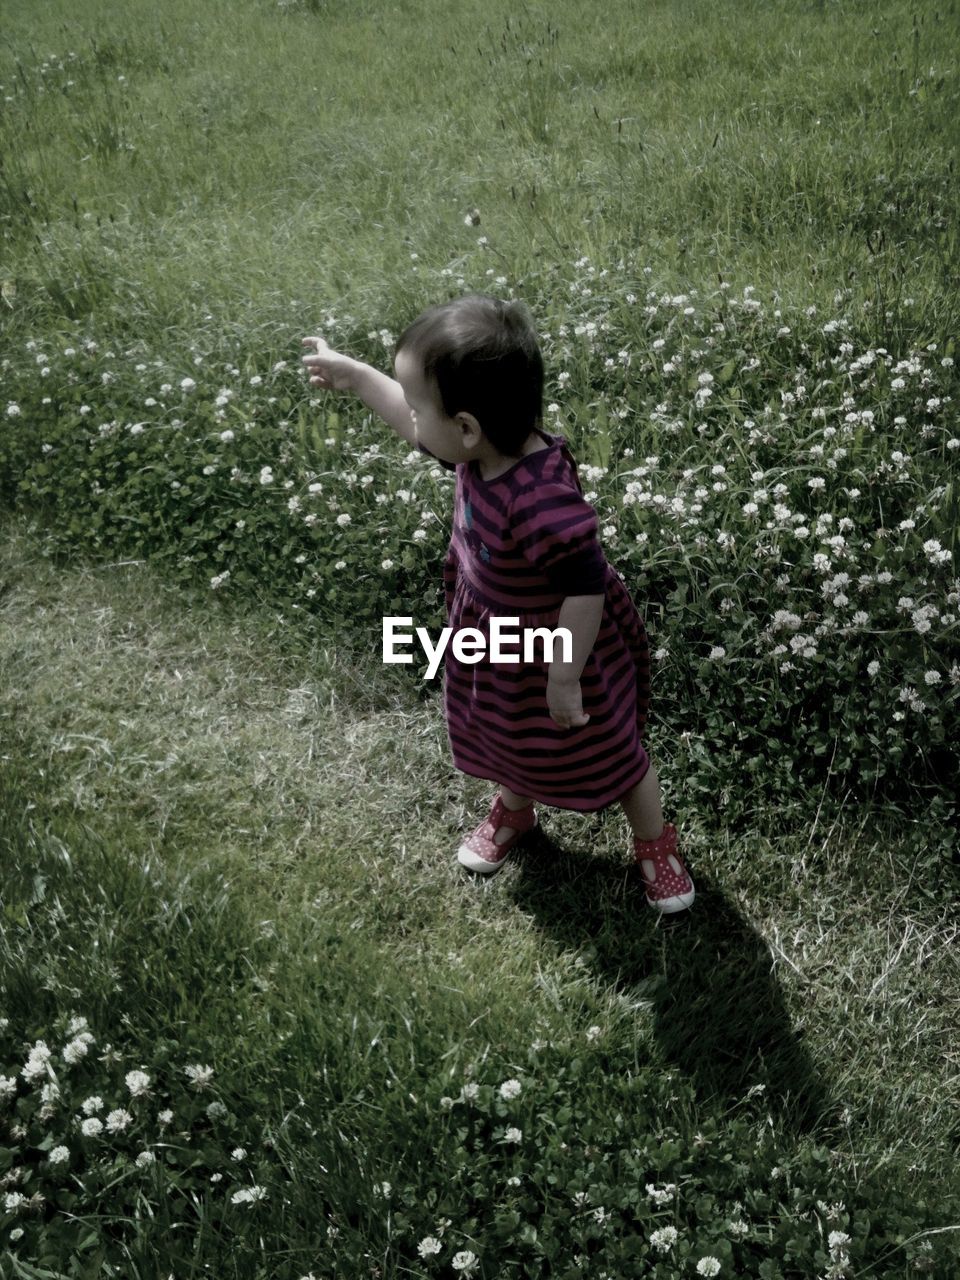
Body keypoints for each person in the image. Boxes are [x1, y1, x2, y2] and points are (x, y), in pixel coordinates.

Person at [301, 294, 695, 913]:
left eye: (417, 405)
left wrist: (564, 677)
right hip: (494, 635)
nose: (410, 419)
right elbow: (410, 421)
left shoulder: (540, 499)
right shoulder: (481, 446)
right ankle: (515, 810)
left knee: (613, 749)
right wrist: (353, 377)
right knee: (506, 730)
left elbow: (585, 587)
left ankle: (654, 842)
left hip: (565, 646)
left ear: (465, 427)